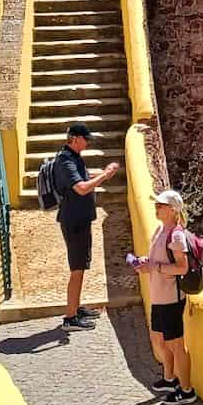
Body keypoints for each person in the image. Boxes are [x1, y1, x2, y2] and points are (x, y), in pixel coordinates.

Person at [131, 189, 197, 405]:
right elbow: (157, 261)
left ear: (172, 210)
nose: (156, 207)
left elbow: (182, 267)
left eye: (160, 205)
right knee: (161, 340)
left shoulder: (176, 236)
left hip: (171, 299)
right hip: (160, 297)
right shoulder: (160, 230)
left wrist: (155, 267)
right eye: (156, 204)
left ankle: (187, 390)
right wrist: (145, 263)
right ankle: (169, 379)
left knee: (176, 344)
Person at [53, 122, 119, 332]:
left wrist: (102, 173)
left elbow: (83, 179)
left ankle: (76, 307)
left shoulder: (73, 157)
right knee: (77, 269)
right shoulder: (65, 161)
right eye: (85, 139)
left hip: (80, 219)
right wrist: (104, 176)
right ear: (74, 138)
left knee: (81, 267)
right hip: (74, 221)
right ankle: (70, 318)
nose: (88, 142)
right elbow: (81, 188)